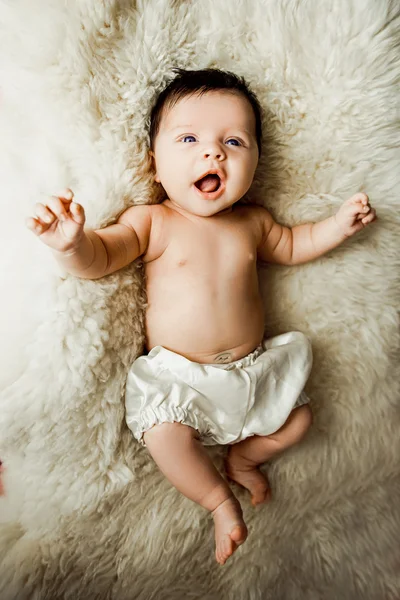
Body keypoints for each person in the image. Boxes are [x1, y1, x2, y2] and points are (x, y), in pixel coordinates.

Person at [25, 68, 377, 565]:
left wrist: (338, 227)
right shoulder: (154, 221)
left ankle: (246, 457)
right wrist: (72, 245)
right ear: (155, 164)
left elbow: (296, 244)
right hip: (182, 381)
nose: (213, 152)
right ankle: (217, 499)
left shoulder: (254, 222)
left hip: (250, 372)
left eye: (233, 141)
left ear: (256, 160)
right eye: (189, 138)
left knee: (299, 419)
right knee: (165, 435)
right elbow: (102, 257)